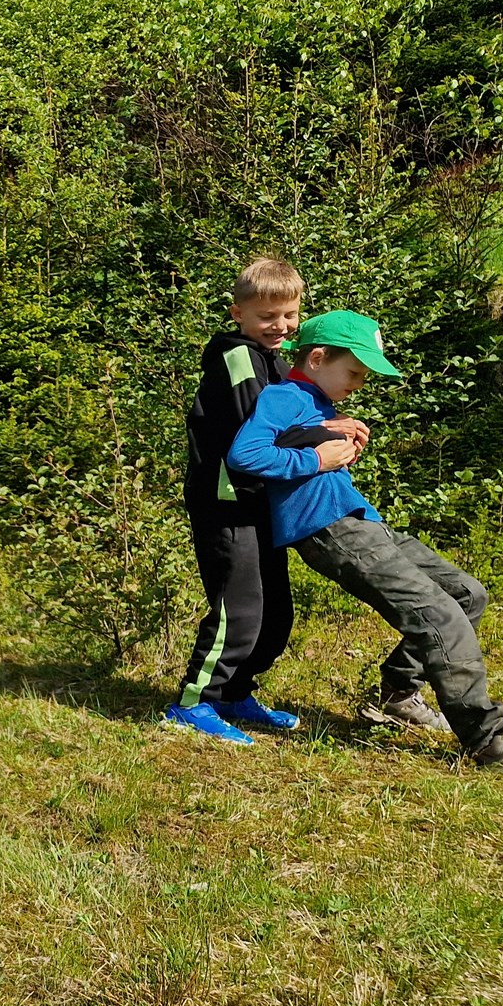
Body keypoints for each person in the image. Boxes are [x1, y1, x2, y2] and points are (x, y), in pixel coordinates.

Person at [226, 310, 503, 767]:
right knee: (438, 615)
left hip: (365, 524)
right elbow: (245, 453)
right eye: (354, 372)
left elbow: (294, 438)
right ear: (317, 359)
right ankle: (490, 739)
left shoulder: (315, 403)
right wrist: (318, 459)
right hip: (331, 529)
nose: (359, 384)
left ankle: (398, 695)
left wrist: (326, 432)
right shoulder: (284, 395)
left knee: (466, 594)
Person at [164, 259, 396, 744]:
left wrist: (328, 425)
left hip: (259, 501)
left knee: (275, 613)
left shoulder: (275, 357)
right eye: (267, 316)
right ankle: (193, 701)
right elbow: (256, 436)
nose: (281, 326)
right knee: (239, 609)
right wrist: (322, 443)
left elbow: (290, 421)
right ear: (238, 315)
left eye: (289, 315)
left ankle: (234, 694)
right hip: (227, 502)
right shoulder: (238, 358)